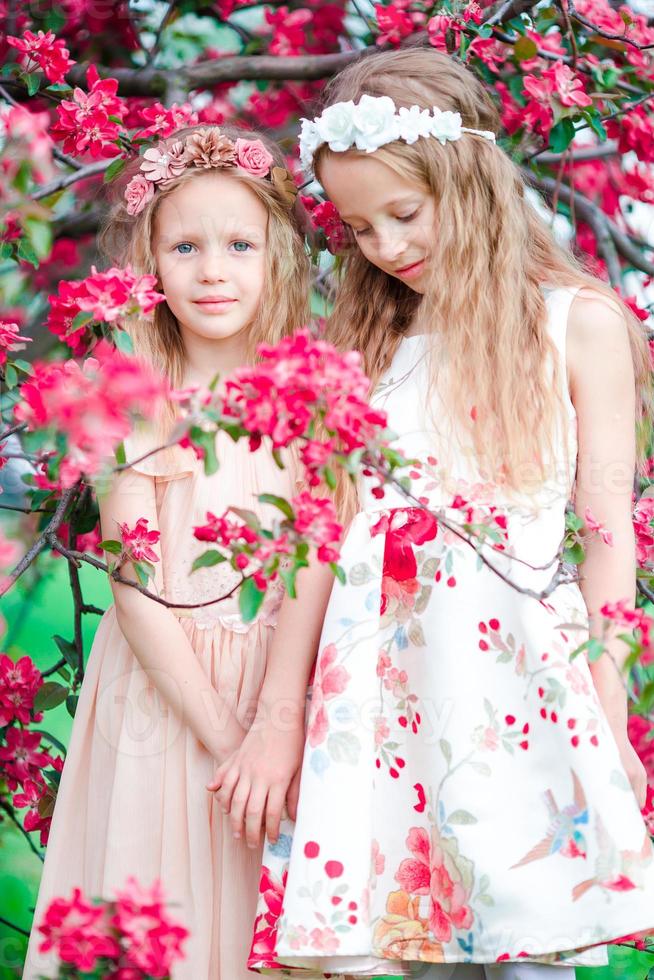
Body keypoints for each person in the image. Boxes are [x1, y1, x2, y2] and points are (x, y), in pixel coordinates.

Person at [209, 49, 654, 980]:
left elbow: (608, 534)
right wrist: (280, 719)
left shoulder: (575, 324)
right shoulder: (365, 345)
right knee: (405, 945)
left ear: (471, 181)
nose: (384, 245)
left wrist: (608, 711)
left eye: (404, 214)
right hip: (376, 692)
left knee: (527, 940)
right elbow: (319, 537)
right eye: (360, 227)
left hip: (520, 684)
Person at [23, 123, 310, 980]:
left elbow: (319, 561)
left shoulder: (312, 387)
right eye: (185, 247)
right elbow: (135, 588)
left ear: (279, 255)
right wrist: (227, 740)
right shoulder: (131, 393)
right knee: (165, 912)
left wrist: (272, 731)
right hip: (165, 696)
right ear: (148, 261)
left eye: (239, 245)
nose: (213, 270)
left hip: (280, 691)